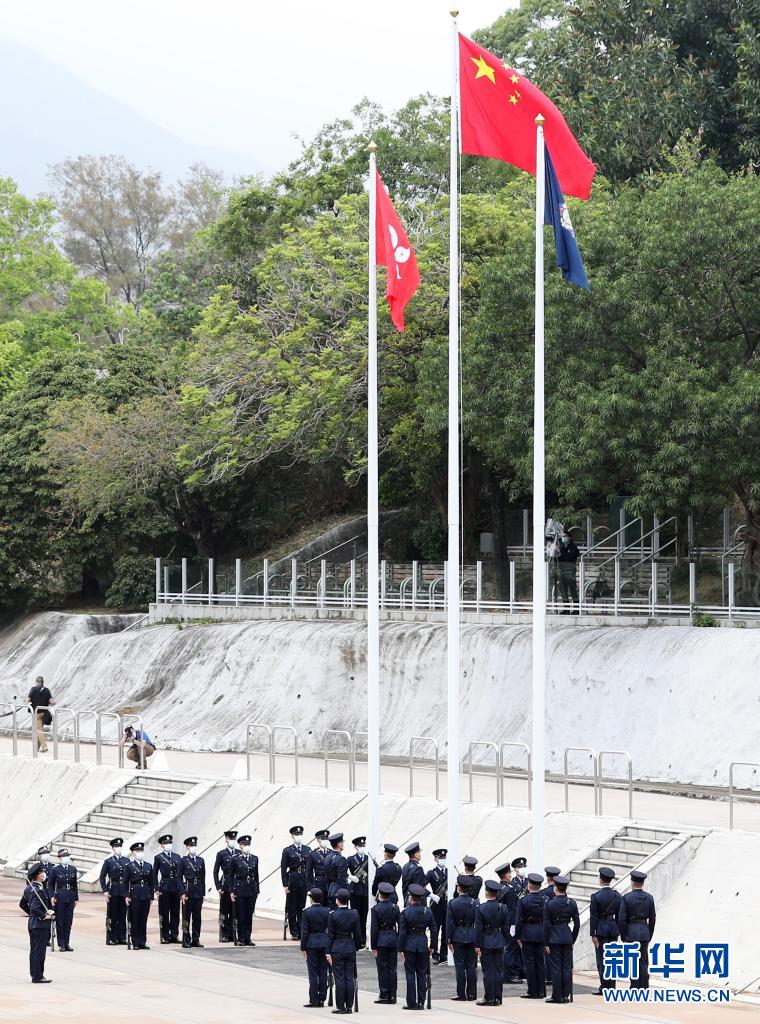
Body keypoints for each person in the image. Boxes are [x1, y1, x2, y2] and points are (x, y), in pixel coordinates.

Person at [398, 882, 436, 1010]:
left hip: (409, 945)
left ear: (410, 898)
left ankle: (411, 1002)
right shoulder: (427, 911)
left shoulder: (405, 913)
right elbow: (434, 930)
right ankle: (421, 1002)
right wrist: (432, 946)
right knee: (421, 973)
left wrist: (401, 949)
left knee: (410, 974)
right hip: (422, 944)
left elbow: (402, 933)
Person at [543, 874, 580, 1004]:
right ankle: (565, 995)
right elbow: (577, 923)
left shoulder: (549, 904)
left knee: (556, 968)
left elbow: (546, 925)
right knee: (566, 968)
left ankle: (557, 995)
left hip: (554, 938)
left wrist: (546, 942)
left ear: (555, 888)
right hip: (567, 936)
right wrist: (573, 938)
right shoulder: (572, 903)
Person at [618, 870, 656, 989]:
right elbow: (652, 918)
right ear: (642, 883)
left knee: (632, 962)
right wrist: (649, 934)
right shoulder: (649, 898)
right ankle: (644, 987)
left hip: (630, 933)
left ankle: (634, 987)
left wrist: (623, 936)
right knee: (643, 961)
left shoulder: (626, 898)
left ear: (632, 882)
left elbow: (622, 919)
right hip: (644, 932)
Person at [327, 887, 361, 1015]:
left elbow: (330, 936)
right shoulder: (354, 914)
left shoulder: (333, 915)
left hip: (337, 948)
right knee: (349, 978)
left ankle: (341, 1006)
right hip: (350, 947)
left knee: (340, 979)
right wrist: (355, 947)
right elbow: (358, 934)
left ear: (337, 900)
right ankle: (349, 1006)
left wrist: (328, 952)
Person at [475, 879, 509, 1006]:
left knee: (488, 971)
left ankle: (489, 997)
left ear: (486, 893)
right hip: (499, 940)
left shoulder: (481, 908)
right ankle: (498, 997)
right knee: (498, 970)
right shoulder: (502, 907)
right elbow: (505, 927)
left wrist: (477, 944)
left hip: (486, 941)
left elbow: (479, 929)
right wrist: (505, 940)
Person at [515, 873, 546, 1000]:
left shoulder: (523, 900)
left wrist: (517, 936)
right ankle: (541, 991)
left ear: (529, 886)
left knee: (529, 963)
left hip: (527, 934)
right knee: (540, 962)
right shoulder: (544, 900)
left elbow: (519, 920)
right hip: (541, 933)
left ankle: (532, 991)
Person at [590, 867, 621, 994]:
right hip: (613, 929)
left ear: (601, 880)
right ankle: (612, 986)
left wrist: (593, 934)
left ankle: (604, 986)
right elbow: (619, 916)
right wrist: (618, 930)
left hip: (601, 930)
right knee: (612, 959)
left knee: (602, 960)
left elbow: (594, 917)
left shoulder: (596, 896)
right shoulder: (617, 896)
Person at [447, 875, 478, 1001]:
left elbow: (450, 923)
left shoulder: (452, 903)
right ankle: (472, 993)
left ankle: (461, 993)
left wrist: (449, 939)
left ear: (458, 889)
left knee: (459, 966)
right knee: (471, 966)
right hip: (472, 935)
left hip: (458, 936)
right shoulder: (475, 903)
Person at [370, 881, 400, 1004]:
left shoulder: (376, 909)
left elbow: (374, 929)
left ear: (379, 894)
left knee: (382, 969)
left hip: (381, 940)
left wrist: (373, 946)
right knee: (392, 968)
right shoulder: (395, 907)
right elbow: (401, 925)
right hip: (393, 939)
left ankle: (384, 994)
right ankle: (393, 995)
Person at [24, 863, 54, 982]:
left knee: (34, 951)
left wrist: (34, 915)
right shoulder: (39, 891)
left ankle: (34, 974)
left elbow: (25, 905)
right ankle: (38, 976)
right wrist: (44, 916)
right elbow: (34, 908)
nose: (44, 874)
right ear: (39, 876)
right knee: (39, 952)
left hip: (33, 924)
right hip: (40, 925)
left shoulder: (30, 888)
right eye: (42, 872)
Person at [301, 887, 330, 1007]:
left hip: (311, 943)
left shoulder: (306, 912)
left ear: (311, 899)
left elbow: (304, 931)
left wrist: (303, 947)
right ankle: (322, 997)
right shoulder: (327, 911)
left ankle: (313, 999)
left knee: (312, 973)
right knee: (323, 971)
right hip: (324, 942)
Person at [495, 863, 522, 983]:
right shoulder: (510, 889)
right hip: (510, 922)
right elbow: (512, 909)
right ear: (507, 875)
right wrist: (513, 924)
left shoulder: (498, 887)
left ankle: (506, 973)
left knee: (505, 948)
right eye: (509, 873)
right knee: (510, 949)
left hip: (500, 922)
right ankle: (509, 975)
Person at [230, 834, 259, 946]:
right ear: (240, 846)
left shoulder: (254, 858)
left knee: (249, 914)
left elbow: (256, 875)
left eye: (248, 844)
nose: (247, 846)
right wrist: (232, 891)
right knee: (241, 914)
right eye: (244, 844)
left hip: (251, 889)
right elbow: (231, 876)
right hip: (240, 888)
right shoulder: (235, 859)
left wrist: (257, 890)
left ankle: (248, 937)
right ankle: (241, 938)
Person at [281, 824, 309, 939]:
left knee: (301, 907)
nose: (298, 836)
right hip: (292, 879)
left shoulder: (307, 849)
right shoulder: (287, 851)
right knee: (292, 907)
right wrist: (285, 884)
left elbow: (309, 867)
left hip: (303, 879)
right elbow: (283, 869)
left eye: (300, 834)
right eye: (296, 834)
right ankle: (294, 931)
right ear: (292, 836)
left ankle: (301, 930)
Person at [100, 837, 129, 945]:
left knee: (122, 914)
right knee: (113, 914)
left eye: (120, 846)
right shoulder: (108, 861)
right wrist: (105, 890)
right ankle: (112, 937)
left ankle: (122, 937)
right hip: (113, 889)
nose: (119, 848)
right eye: (117, 846)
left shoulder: (126, 860)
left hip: (123, 890)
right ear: (113, 848)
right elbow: (102, 877)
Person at [153, 834, 182, 943]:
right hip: (165, 887)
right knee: (164, 912)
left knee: (175, 913)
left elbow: (180, 873)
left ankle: (174, 935)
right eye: (166, 843)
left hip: (175, 886)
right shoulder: (158, 857)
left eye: (170, 843)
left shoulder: (177, 856)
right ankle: (165, 935)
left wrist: (181, 888)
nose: (169, 845)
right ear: (162, 845)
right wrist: (156, 888)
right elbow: (154, 874)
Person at [125, 841, 154, 950]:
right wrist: (126, 896)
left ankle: (142, 941)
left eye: (141, 850)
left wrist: (151, 896)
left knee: (143, 919)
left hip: (145, 895)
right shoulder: (129, 866)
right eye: (138, 851)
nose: (140, 853)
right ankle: (135, 942)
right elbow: (125, 882)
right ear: (133, 853)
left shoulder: (148, 866)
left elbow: (151, 882)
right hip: (135, 895)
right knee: (135, 919)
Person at [49, 847, 78, 951]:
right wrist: (52, 896)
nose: (67, 858)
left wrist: (76, 898)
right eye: (64, 856)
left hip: (70, 897)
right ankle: (61, 944)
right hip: (60, 897)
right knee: (60, 922)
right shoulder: (55, 870)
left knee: (68, 922)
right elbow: (51, 884)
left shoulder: (73, 869)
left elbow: (75, 885)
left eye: (67, 856)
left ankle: (66, 943)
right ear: (60, 858)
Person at [180, 836, 205, 947]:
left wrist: (203, 893)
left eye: (195, 845)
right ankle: (186, 939)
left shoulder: (200, 860)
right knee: (186, 917)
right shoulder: (183, 861)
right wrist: (182, 892)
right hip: (188, 891)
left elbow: (203, 878)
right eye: (191, 845)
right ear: (187, 847)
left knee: (197, 918)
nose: (194, 847)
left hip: (198, 892)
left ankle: (196, 939)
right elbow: (179, 877)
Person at [213, 829, 238, 941]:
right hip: (225, 883)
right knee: (224, 910)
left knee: (235, 911)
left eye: (234, 839)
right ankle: (225, 933)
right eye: (231, 839)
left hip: (236, 883)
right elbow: (215, 871)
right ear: (226, 839)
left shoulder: (239, 852)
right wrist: (218, 886)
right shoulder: (221, 854)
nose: (233, 841)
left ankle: (233, 933)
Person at [425, 848, 448, 965]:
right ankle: (434, 953)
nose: (443, 860)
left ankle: (444, 955)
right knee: (435, 930)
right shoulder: (431, 873)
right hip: (436, 906)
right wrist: (431, 895)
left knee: (446, 931)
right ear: (435, 859)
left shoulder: (449, 872)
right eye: (440, 858)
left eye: (444, 858)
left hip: (447, 906)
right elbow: (421, 886)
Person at [346, 836, 370, 948]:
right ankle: (356, 939)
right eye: (360, 846)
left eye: (363, 845)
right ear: (355, 847)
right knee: (356, 916)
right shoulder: (351, 859)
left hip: (365, 891)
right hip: (355, 891)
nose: (362, 847)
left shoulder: (368, 859)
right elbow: (342, 870)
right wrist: (350, 877)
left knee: (364, 916)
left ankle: (363, 939)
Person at [27, 676, 54, 753]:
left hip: (37, 713)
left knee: (38, 730)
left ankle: (44, 746)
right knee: (40, 730)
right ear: (42, 682)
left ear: (36, 682)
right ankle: (37, 747)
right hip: (44, 713)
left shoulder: (33, 689)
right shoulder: (46, 690)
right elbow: (51, 702)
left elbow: (28, 700)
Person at [557, 532, 581, 612]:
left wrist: (561, 551)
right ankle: (566, 608)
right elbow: (559, 558)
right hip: (562, 570)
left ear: (569, 537)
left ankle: (576, 609)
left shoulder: (573, 547)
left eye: (565, 536)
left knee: (572, 589)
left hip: (570, 571)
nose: (563, 538)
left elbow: (569, 558)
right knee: (563, 590)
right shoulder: (561, 546)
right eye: (562, 536)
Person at [307, 828, 331, 902]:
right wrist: (311, 888)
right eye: (323, 838)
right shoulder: (313, 854)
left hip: (330, 884)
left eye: (326, 838)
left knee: (330, 906)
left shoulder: (331, 853)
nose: (325, 840)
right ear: (318, 840)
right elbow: (309, 872)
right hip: (318, 884)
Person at [326, 833, 349, 911]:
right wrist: (344, 894)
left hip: (331, 890)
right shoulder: (341, 859)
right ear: (339, 844)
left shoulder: (328, 857)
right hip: (340, 893)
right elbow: (342, 879)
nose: (343, 844)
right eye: (342, 842)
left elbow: (327, 877)